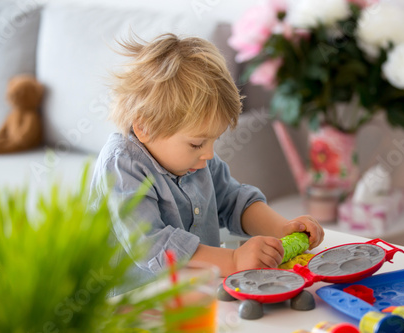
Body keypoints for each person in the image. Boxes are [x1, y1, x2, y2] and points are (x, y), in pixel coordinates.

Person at [90, 33, 324, 293]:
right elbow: (152, 246)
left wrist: (281, 227)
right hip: (134, 308)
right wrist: (233, 260)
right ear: (144, 127)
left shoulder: (197, 161)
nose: (209, 155)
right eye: (197, 143)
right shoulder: (122, 166)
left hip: (196, 295)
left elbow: (235, 201)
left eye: (215, 140)